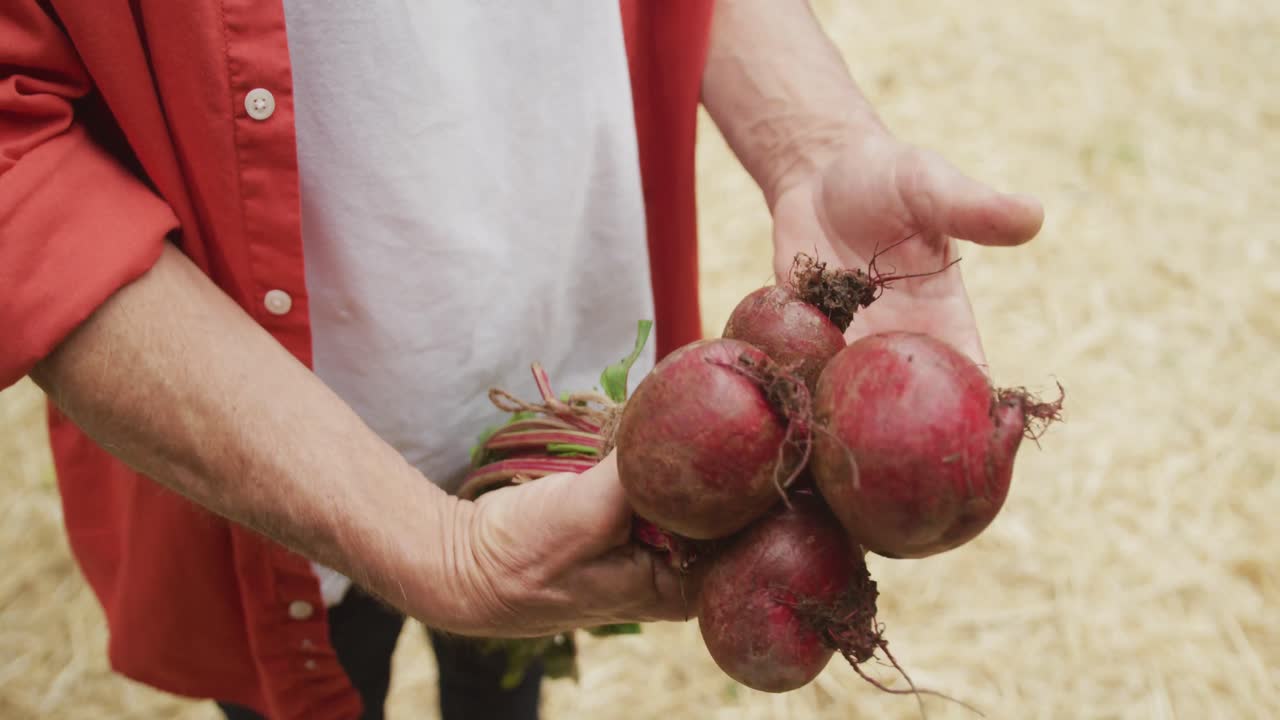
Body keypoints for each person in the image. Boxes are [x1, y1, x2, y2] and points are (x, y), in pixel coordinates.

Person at [0, 1, 1044, 719]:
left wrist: (810, 141)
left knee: (505, 672)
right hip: (245, 405)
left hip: (553, 336)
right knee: (310, 674)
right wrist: (428, 548)